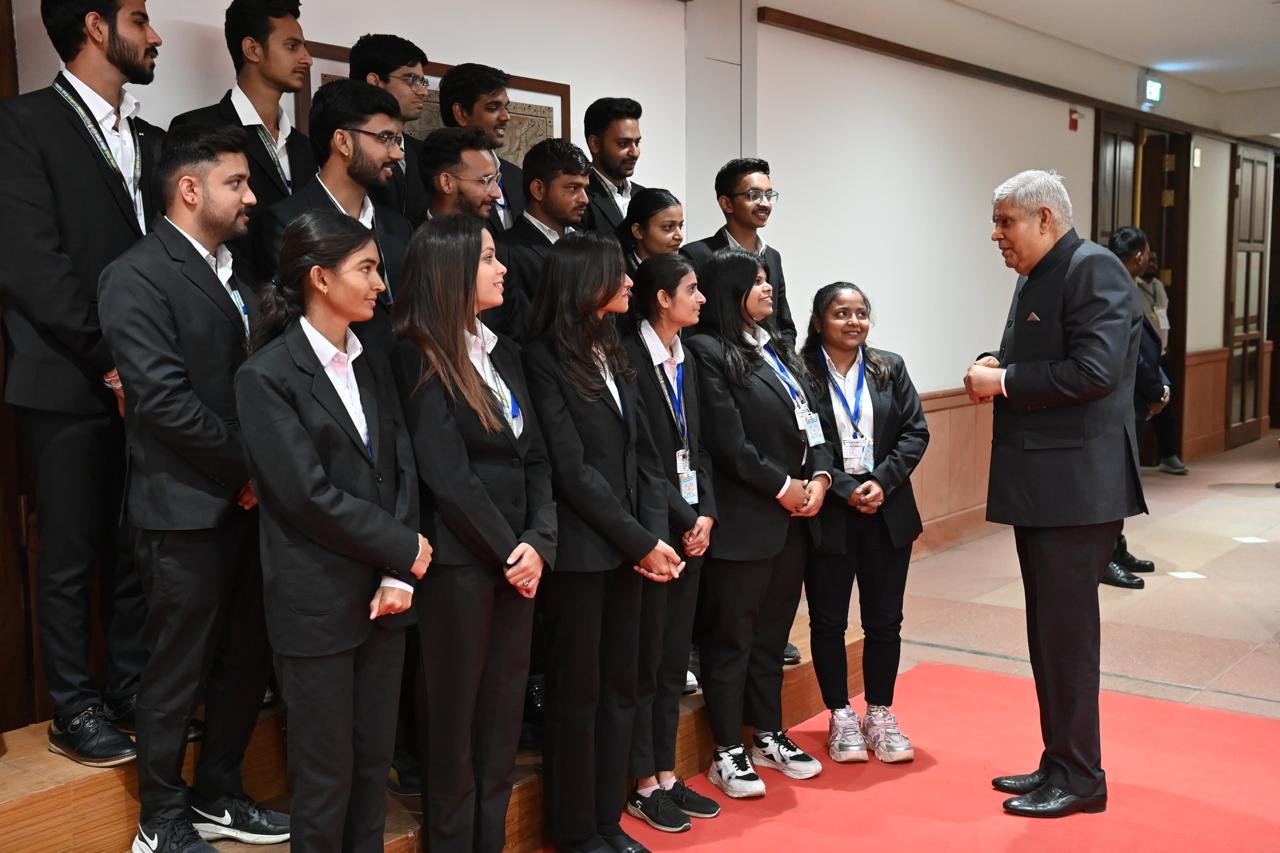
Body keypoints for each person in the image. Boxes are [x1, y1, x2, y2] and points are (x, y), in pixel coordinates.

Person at [99, 124, 288, 853]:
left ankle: (220, 792)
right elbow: (162, 400)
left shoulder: (236, 272)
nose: (249, 197)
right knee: (176, 668)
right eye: (237, 183)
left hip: (249, 504)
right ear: (189, 189)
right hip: (183, 507)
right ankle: (161, 818)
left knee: (247, 658)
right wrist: (247, 468)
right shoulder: (136, 274)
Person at [234, 209, 432, 852]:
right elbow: (305, 497)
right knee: (324, 780)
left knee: (374, 771)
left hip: (386, 596)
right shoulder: (265, 376)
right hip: (316, 600)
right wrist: (402, 547)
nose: (381, 283)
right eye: (367, 269)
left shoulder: (370, 357)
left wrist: (399, 571)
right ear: (319, 278)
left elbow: (401, 464)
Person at [0, 0, 164, 767]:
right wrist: (112, 356)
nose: (155, 33)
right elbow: (33, 265)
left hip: (145, 382)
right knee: (67, 555)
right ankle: (74, 706)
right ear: (96, 27)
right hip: (66, 376)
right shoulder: (21, 124)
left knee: (136, 546)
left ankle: (131, 688)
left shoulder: (153, 140)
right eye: (140, 16)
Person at [964, 169, 1145, 818]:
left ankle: (1082, 775)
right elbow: (1047, 355)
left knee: (1067, 638)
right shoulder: (1040, 272)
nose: (996, 235)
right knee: (1048, 633)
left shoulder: (1092, 268)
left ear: (1044, 218)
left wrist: (1004, 380)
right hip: (1044, 485)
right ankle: (1058, 759)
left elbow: (1094, 370)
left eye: (1006, 222)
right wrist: (998, 364)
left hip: (1075, 490)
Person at [389, 215, 556, 852]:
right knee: (454, 725)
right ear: (451, 268)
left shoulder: (503, 349)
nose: (502, 268)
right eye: (487, 258)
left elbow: (536, 459)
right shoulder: (415, 352)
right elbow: (447, 475)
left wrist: (538, 542)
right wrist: (509, 551)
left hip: (519, 562)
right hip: (463, 564)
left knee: (501, 725)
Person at [523, 231, 684, 853]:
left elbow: (644, 454)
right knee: (577, 696)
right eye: (617, 274)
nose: (628, 283)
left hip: (630, 549)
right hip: (585, 554)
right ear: (583, 281)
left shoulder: (613, 347)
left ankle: (606, 820)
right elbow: (571, 469)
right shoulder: (542, 356)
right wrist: (637, 540)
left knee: (623, 689)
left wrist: (650, 535)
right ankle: (573, 831)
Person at [684, 249, 832, 800]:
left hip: (793, 518)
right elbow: (728, 443)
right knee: (732, 639)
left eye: (769, 279)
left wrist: (818, 476)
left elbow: (812, 420)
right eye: (757, 281)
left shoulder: (777, 350)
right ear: (729, 290)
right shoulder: (707, 351)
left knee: (771, 636)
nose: (769, 289)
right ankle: (727, 749)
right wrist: (783, 487)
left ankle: (768, 733)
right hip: (747, 518)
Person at [798, 283, 928, 766]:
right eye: (841, 313)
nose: (854, 322)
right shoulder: (802, 371)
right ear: (818, 322)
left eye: (861, 313)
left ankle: (879, 711)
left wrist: (882, 482)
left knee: (884, 619)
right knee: (828, 620)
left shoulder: (888, 367)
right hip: (830, 513)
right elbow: (805, 438)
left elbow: (916, 431)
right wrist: (843, 488)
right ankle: (840, 713)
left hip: (887, 511)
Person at [621, 254, 722, 834]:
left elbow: (699, 447)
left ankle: (665, 771)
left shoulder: (686, 357)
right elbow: (645, 457)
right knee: (645, 659)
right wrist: (685, 516)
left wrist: (705, 512)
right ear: (662, 298)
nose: (701, 298)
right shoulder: (632, 356)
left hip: (690, 527)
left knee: (670, 661)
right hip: (653, 527)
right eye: (691, 289)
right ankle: (640, 781)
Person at [253, 79, 410, 353]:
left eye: (397, 140)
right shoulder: (287, 222)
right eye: (385, 138)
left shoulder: (398, 226)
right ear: (343, 141)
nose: (396, 153)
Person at [169, 0, 313, 266]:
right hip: (235, 296)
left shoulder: (304, 146)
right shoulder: (197, 128)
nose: (307, 59)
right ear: (252, 49)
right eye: (292, 46)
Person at [1097, 226, 1169, 591]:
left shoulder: (1127, 282)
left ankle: (1117, 548)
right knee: (1113, 485)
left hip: (1130, 398)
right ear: (1139, 254)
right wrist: (1156, 390)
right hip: (1118, 403)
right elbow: (1134, 352)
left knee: (1124, 482)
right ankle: (1105, 558)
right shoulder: (1115, 284)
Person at [681, 158, 796, 346]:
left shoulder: (772, 257)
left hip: (768, 368)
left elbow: (784, 326)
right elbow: (690, 326)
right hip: (721, 365)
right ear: (726, 203)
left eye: (768, 195)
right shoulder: (697, 255)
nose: (765, 204)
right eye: (754, 195)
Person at [489, 138, 591, 342]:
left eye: (585, 188)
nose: (584, 199)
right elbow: (512, 334)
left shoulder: (588, 244)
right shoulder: (505, 251)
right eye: (572, 188)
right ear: (538, 189)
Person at [350, 33, 430, 225]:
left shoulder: (426, 155)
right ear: (375, 81)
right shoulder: (346, 149)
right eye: (411, 79)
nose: (423, 91)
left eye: (423, 82)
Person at [439, 62, 525, 232]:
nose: (506, 117)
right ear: (461, 113)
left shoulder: (517, 176)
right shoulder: (431, 175)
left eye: (506, 107)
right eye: (493, 107)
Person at [1136, 248, 1189, 475]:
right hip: (1142, 357)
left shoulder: (1158, 286)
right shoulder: (1131, 286)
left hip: (1162, 355)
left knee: (1166, 407)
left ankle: (1169, 455)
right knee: (1143, 406)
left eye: (1155, 260)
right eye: (1149, 259)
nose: (1152, 264)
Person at [583, 97, 644, 237]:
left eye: (637, 143)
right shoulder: (579, 199)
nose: (634, 152)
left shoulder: (643, 196)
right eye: (623, 144)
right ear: (595, 144)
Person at [420, 127, 504, 222]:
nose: (497, 194)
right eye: (486, 180)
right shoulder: (408, 234)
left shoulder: (488, 235)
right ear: (446, 183)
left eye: (495, 179)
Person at [616, 188, 684, 279]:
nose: (679, 236)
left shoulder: (684, 271)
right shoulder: (618, 278)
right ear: (638, 231)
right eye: (668, 227)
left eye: (680, 226)